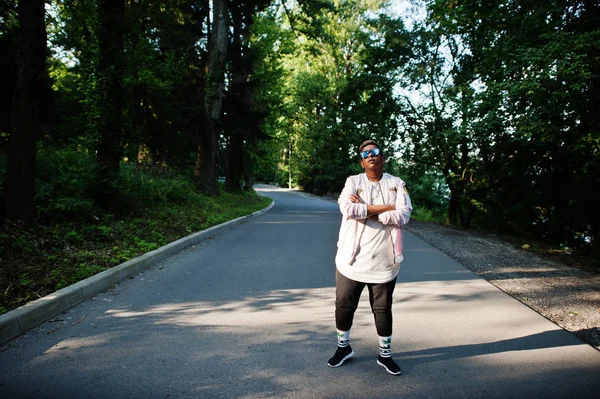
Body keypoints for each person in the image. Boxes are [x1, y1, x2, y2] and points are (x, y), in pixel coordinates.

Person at [327, 139, 412, 375]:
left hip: (385, 264)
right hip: (350, 261)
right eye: (366, 154)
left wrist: (369, 210)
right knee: (344, 306)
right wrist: (386, 208)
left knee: (383, 309)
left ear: (383, 158)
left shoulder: (397, 184)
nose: (371, 155)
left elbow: (403, 215)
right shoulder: (353, 182)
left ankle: (385, 355)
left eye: (375, 152)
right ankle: (343, 348)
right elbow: (348, 209)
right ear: (362, 162)